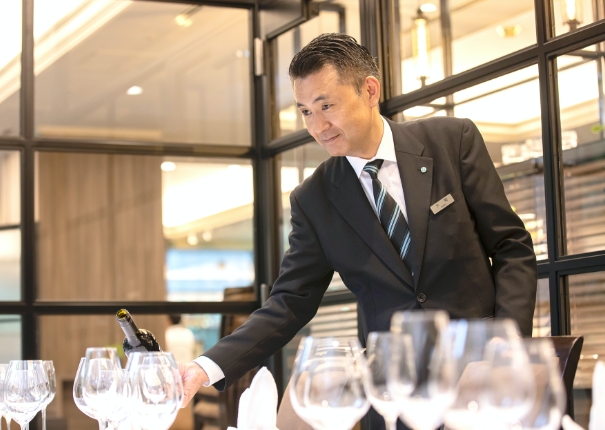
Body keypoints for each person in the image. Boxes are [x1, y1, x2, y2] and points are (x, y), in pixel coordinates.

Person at [178, 33, 538, 429]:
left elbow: (511, 246)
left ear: (369, 90)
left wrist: (507, 345)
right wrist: (205, 367)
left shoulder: (451, 142)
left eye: (326, 106)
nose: (317, 126)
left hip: (482, 375)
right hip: (392, 397)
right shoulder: (314, 199)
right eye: (305, 112)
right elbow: (289, 302)